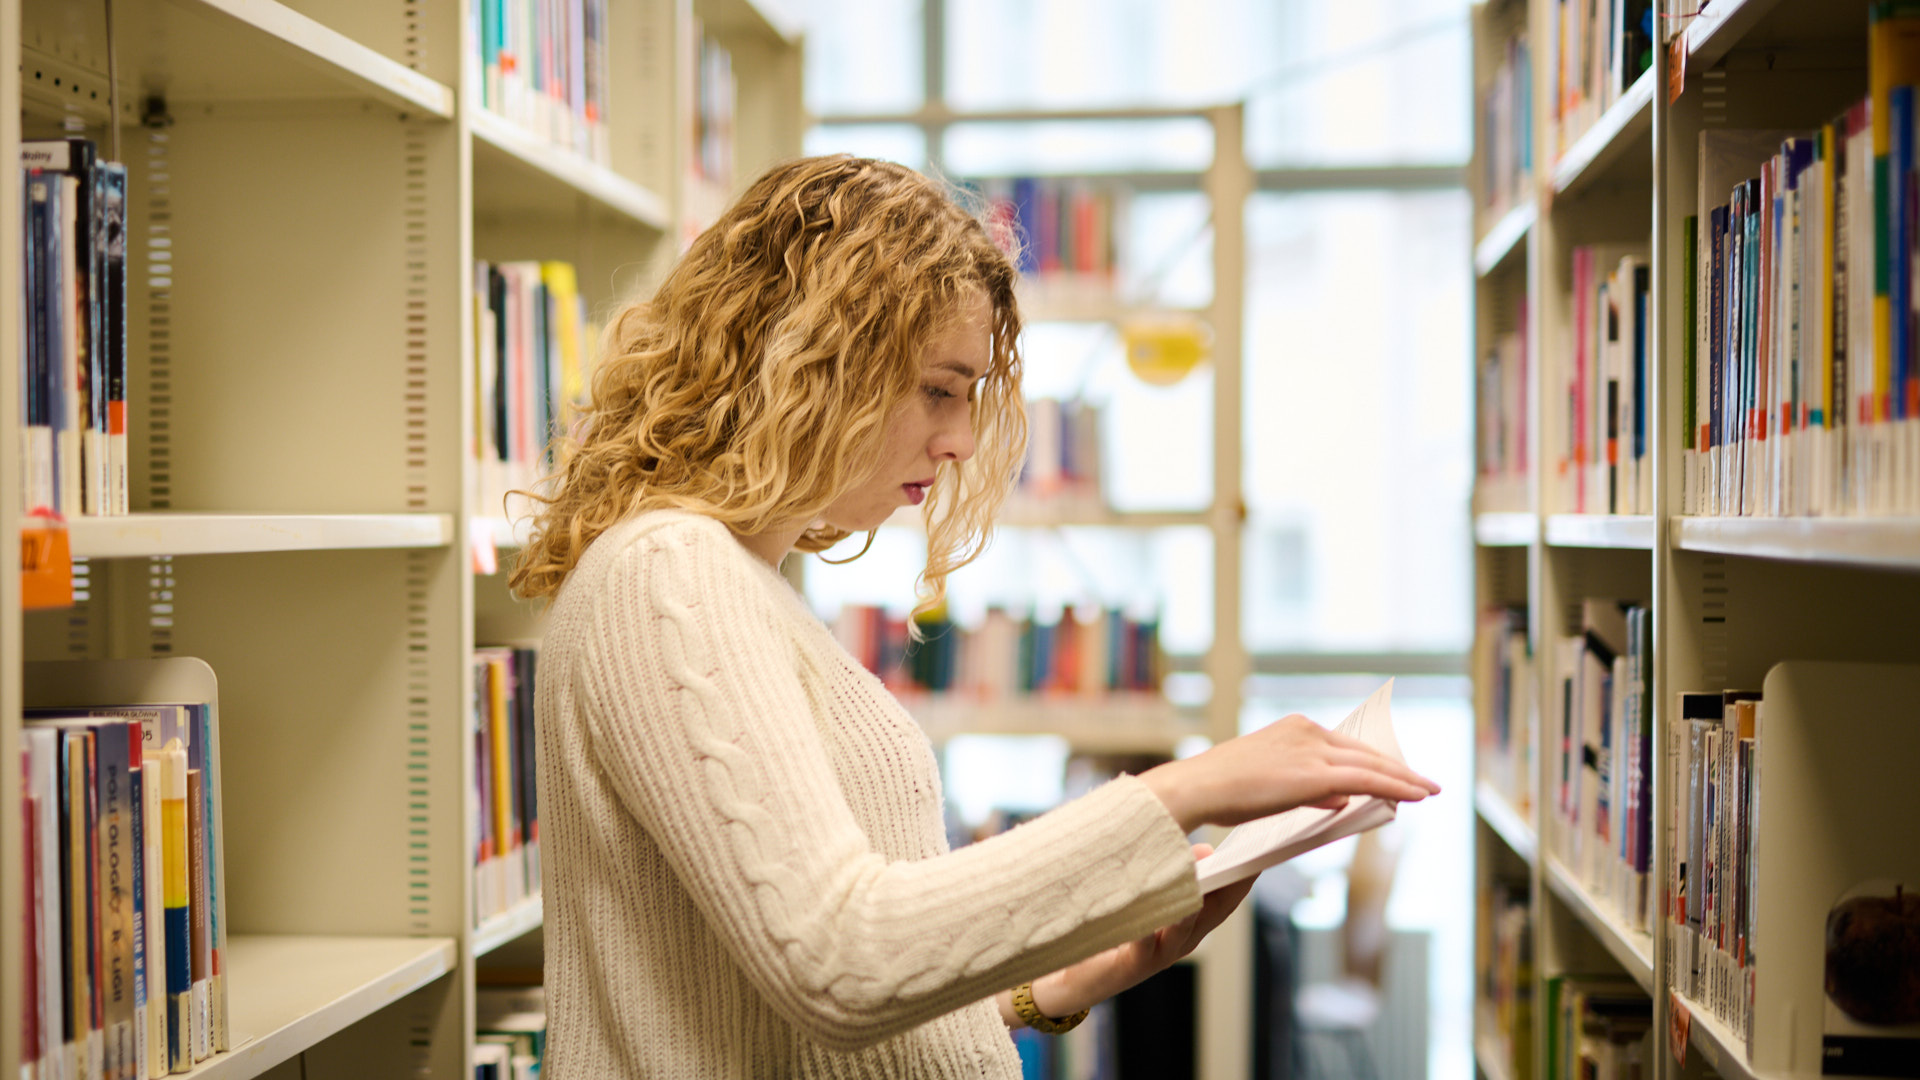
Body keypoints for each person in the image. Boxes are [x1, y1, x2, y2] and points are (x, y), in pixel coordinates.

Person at [509, 155, 1439, 1078]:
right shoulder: (671, 574)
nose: (956, 441)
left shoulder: (748, 578)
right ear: (813, 360)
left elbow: (782, 977)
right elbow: (838, 962)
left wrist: (1053, 985)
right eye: (938, 389)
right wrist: (1178, 791)